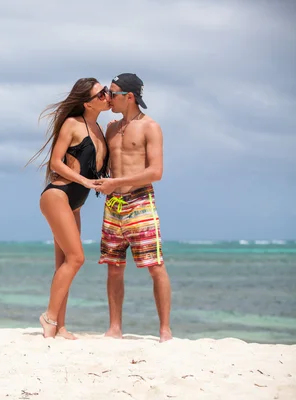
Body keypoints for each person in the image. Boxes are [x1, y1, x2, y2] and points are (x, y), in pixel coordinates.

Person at [26, 77, 111, 339]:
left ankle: (60, 326)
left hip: (75, 204)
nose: (106, 96)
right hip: (57, 196)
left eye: (106, 91)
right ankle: (49, 317)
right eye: (101, 94)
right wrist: (85, 180)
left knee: (64, 262)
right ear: (87, 102)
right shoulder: (73, 124)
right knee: (77, 258)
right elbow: (55, 163)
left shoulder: (99, 128)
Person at [94, 73, 173, 343]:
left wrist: (117, 181)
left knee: (155, 266)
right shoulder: (111, 128)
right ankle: (115, 327)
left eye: (112, 93)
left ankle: (165, 330)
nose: (108, 97)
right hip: (113, 204)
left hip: (140, 201)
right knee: (114, 267)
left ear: (129, 97)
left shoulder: (151, 127)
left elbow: (156, 172)